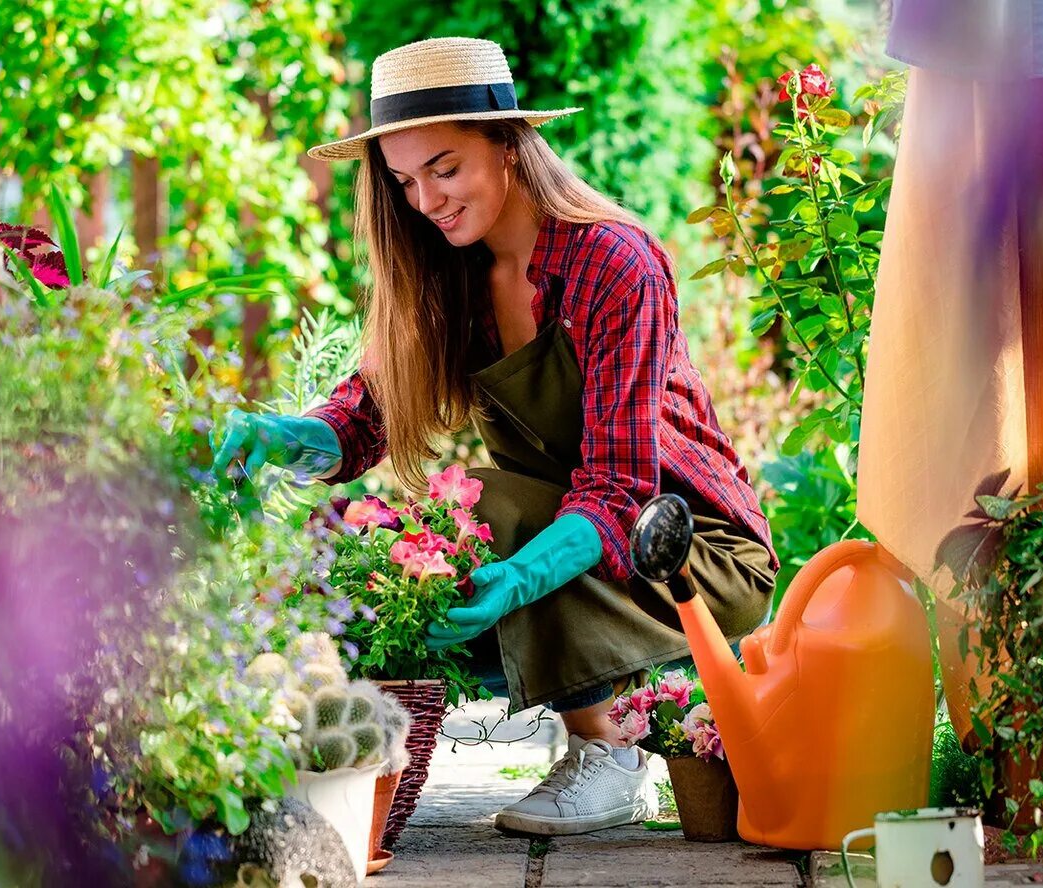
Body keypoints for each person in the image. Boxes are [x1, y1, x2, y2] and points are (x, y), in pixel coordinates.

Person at [210, 36, 778, 837]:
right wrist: (286, 436)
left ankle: (609, 756)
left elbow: (620, 487)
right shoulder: (452, 272)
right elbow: (369, 414)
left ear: (509, 146)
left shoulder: (615, 263)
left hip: (691, 550)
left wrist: (513, 578)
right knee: (398, 558)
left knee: (491, 508)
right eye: (406, 181)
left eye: (445, 168)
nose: (427, 200)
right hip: (560, 530)